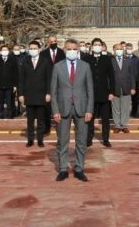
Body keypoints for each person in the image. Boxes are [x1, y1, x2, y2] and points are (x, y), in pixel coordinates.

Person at [51, 39, 94, 182]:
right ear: (64, 50)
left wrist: (89, 109)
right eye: (68, 49)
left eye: (74, 49)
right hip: (63, 109)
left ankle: (79, 168)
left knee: (81, 141)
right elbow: (54, 91)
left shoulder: (85, 66)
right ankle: (63, 169)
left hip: (81, 108)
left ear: (78, 50)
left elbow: (89, 89)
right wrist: (55, 110)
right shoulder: (57, 67)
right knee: (62, 141)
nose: (71, 51)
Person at [18, 41, 52, 147]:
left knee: (41, 120)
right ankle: (30, 139)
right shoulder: (25, 61)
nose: (33, 50)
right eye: (31, 48)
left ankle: (40, 139)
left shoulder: (45, 61)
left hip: (41, 94)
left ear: (39, 49)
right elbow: (21, 79)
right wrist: (21, 94)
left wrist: (48, 93)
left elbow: (49, 79)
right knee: (30, 120)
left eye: (35, 48)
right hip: (29, 95)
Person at [83, 38, 114, 148]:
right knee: (90, 118)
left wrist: (111, 92)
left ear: (102, 47)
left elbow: (111, 76)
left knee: (105, 119)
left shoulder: (107, 59)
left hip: (104, 93)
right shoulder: (86, 58)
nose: (97, 46)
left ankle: (106, 139)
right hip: (90, 93)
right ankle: (88, 139)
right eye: (95, 44)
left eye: (98, 44)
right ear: (91, 46)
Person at [110, 43, 135, 134]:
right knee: (116, 108)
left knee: (125, 107)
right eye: (117, 49)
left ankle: (124, 125)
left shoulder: (128, 60)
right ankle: (117, 125)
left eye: (121, 49)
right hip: (115, 88)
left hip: (126, 87)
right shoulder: (110, 60)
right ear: (114, 50)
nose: (119, 50)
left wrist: (133, 87)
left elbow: (132, 75)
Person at [0, 44, 19, 119]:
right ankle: (0, 114)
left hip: (9, 85)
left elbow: (16, 73)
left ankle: (9, 115)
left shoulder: (12, 59)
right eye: (3, 50)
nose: (5, 51)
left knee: (9, 101)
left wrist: (15, 85)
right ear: (0, 51)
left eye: (6, 50)